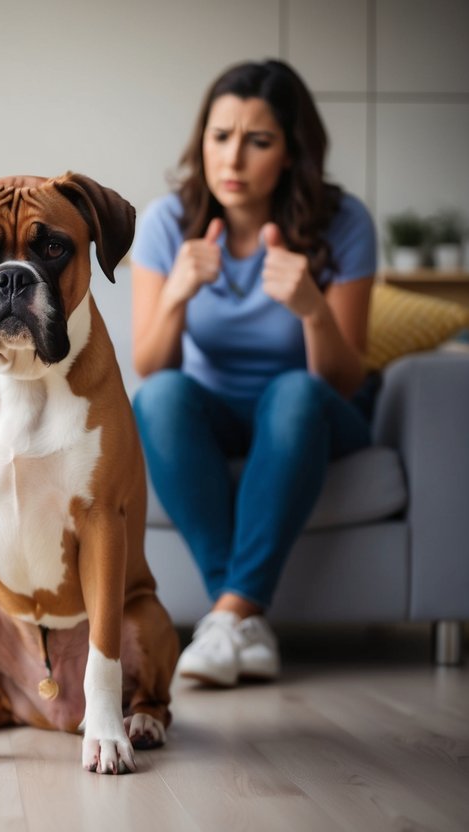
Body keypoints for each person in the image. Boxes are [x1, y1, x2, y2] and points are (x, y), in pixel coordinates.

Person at [129, 59, 376, 687]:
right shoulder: (165, 222)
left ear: (292, 153)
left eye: (258, 140)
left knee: (294, 392)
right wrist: (177, 295)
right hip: (210, 415)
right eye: (220, 136)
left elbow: (342, 380)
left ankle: (227, 612)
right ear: (202, 141)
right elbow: (150, 367)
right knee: (159, 397)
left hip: (310, 416)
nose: (232, 159)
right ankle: (241, 620)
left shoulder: (344, 223)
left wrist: (313, 311)